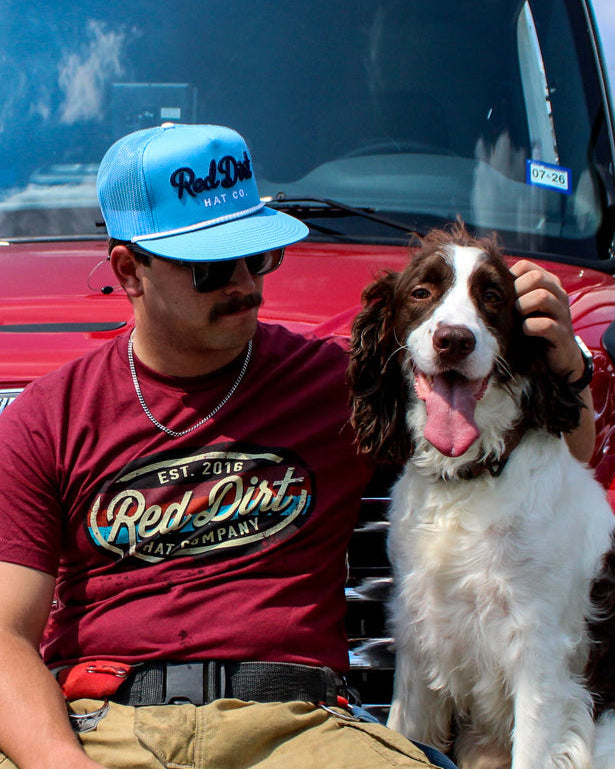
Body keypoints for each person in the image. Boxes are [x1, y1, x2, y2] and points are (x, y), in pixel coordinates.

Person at [0, 123, 595, 769]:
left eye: (257, 256)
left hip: (296, 730)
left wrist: (568, 368)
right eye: (211, 268)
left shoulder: (334, 383)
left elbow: (562, 460)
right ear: (128, 270)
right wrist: (60, 760)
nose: (245, 284)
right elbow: (6, 634)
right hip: (101, 724)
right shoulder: (45, 417)